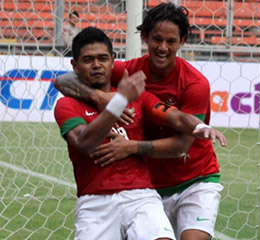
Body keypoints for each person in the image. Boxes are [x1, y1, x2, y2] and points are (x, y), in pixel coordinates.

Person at [55, 3, 223, 239]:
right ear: (144, 37)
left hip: (194, 178)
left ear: (182, 41)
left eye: (171, 41)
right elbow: (61, 80)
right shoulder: (130, 74)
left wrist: (201, 127)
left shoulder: (195, 83)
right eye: (156, 39)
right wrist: (102, 97)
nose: (163, 48)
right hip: (151, 183)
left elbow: (180, 143)